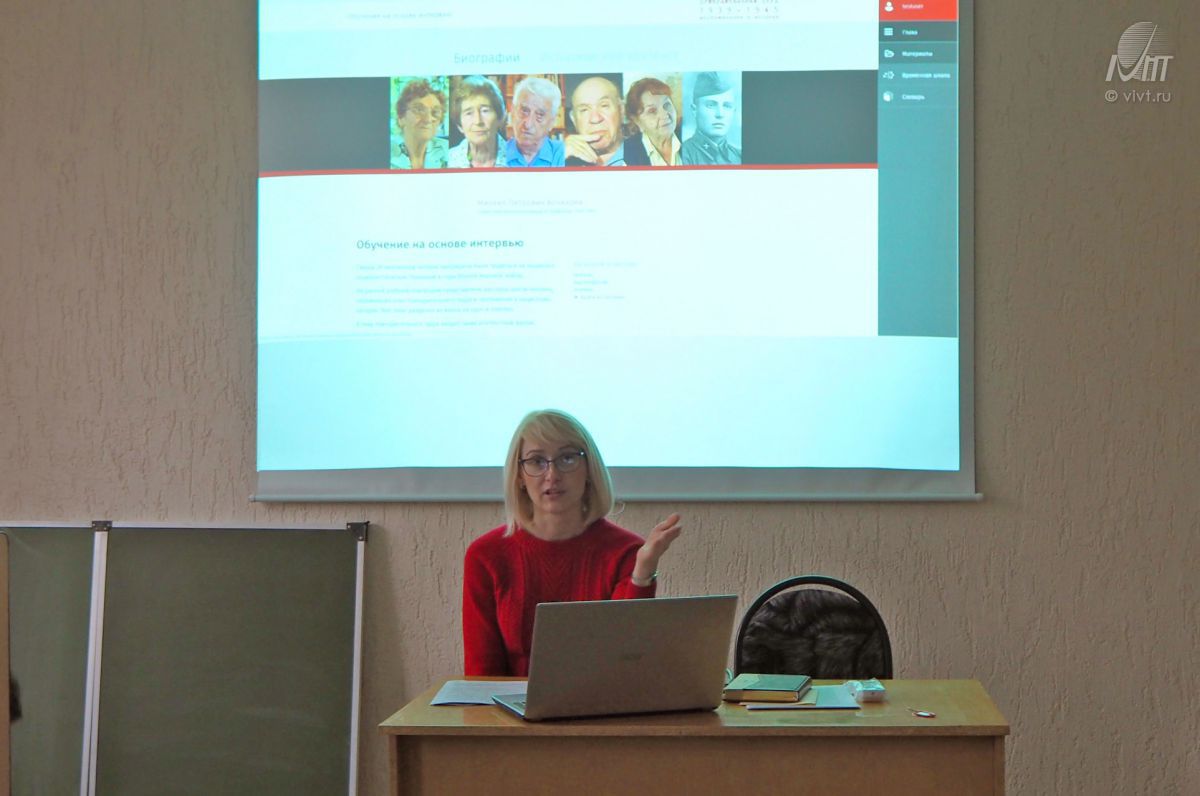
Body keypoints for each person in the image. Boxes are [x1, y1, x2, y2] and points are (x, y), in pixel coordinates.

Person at [462, 410, 683, 676]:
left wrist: (642, 574)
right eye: (536, 461)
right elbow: (481, 675)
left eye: (567, 458)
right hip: (509, 703)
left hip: (601, 701)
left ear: (589, 469)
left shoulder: (626, 552)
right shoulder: (486, 556)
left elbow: (624, 662)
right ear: (519, 476)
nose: (552, 474)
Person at [680, 72, 742, 166]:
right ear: (694, 110)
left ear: (734, 111)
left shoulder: (739, 156)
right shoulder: (683, 155)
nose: (720, 114)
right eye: (711, 105)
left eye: (727, 106)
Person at [447, 76, 509, 168]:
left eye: (485, 111)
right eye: (469, 113)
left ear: (499, 118)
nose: (478, 121)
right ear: (460, 125)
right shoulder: (449, 160)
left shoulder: (516, 159)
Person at [564, 76, 626, 167]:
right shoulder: (563, 160)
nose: (595, 119)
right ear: (574, 120)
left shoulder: (643, 156)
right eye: (584, 110)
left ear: (621, 110)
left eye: (604, 106)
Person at [503, 76, 565, 167]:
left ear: (552, 122)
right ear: (512, 112)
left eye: (540, 115)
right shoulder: (497, 154)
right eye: (524, 111)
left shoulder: (562, 154)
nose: (528, 124)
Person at [391, 78, 449, 169]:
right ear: (401, 118)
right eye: (419, 110)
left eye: (435, 112)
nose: (428, 119)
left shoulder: (448, 150)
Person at [624, 77, 681, 167]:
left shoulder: (689, 137)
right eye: (652, 111)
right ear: (637, 121)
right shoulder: (627, 155)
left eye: (666, 105)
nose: (665, 115)